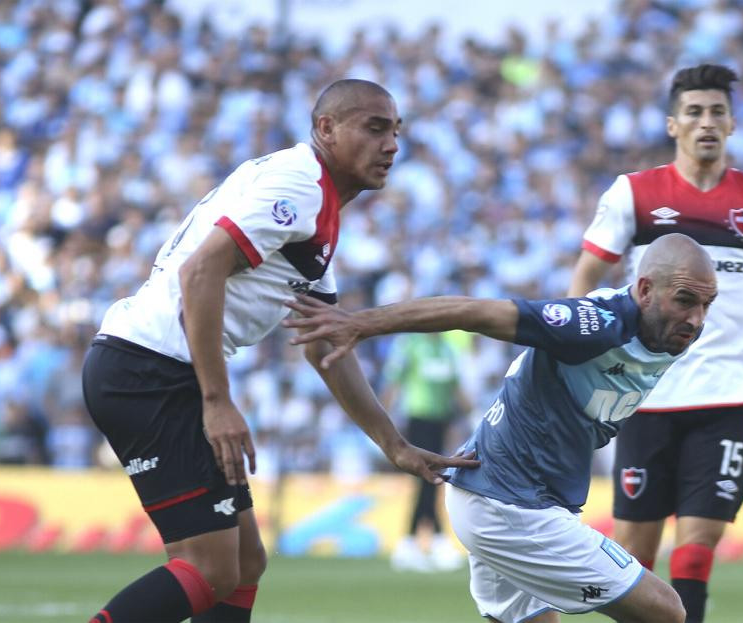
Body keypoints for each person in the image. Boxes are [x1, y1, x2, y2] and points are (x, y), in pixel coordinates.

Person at [81, 79, 479, 623]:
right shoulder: (301, 185)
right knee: (212, 567)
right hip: (152, 369)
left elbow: (325, 346)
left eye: (396, 131)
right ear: (326, 129)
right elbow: (202, 271)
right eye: (375, 128)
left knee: (244, 563)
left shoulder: (316, 208)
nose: (391, 145)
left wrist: (394, 445)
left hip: (152, 366)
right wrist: (216, 400)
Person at [285, 233, 717, 623]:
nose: (696, 319)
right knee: (666, 611)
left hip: (497, 494)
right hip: (511, 504)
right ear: (644, 290)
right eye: (684, 300)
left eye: (705, 305)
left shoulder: (669, 331)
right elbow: (472, 312)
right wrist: (361, 324)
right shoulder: (592, 325)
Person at [566, 64, 743, 622]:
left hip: (727, 394)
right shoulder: (635, 196)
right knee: (635, 557)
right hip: (643, 393)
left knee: (696, 544)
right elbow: (584, 279)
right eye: (694, 112)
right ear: (673, 124)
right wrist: (581, 355)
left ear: (732, 123)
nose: (706, 122)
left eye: (717, 112)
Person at [382, 330, 471, 572]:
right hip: (418, 418)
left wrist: (473, 412)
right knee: (428, 479)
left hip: (441, 420)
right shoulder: (410, 345)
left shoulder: (448, 349)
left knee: (430, 480)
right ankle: (432, 541)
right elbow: (394, 381)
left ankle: (411, 541)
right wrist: (381, 425)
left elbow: (455, 386)